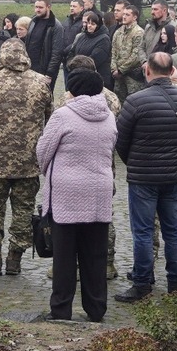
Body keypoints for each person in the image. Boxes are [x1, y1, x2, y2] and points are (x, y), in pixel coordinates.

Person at [114, 53, 177, 303]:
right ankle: (176, 284)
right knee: (173, 230)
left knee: (142, 232)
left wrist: (135, 163)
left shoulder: (135, 101)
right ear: (172, 70)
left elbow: (122, 140)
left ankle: (141, 284)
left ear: (147, 71)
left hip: (143, 177)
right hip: (174, 177)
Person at [36, 67, 117, 322]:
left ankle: (61, 309)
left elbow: (43, 152)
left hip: (66, 194)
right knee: (95, 254)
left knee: (64, 256)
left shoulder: (62, 116)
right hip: (99, 191)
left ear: (72, 89)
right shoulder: (109, 116)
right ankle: (96, 309)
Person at [0, 39, 52, 276]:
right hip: (28, 161)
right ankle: (14, 259)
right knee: (23, 210)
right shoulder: (41, 83)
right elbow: (50, 118)